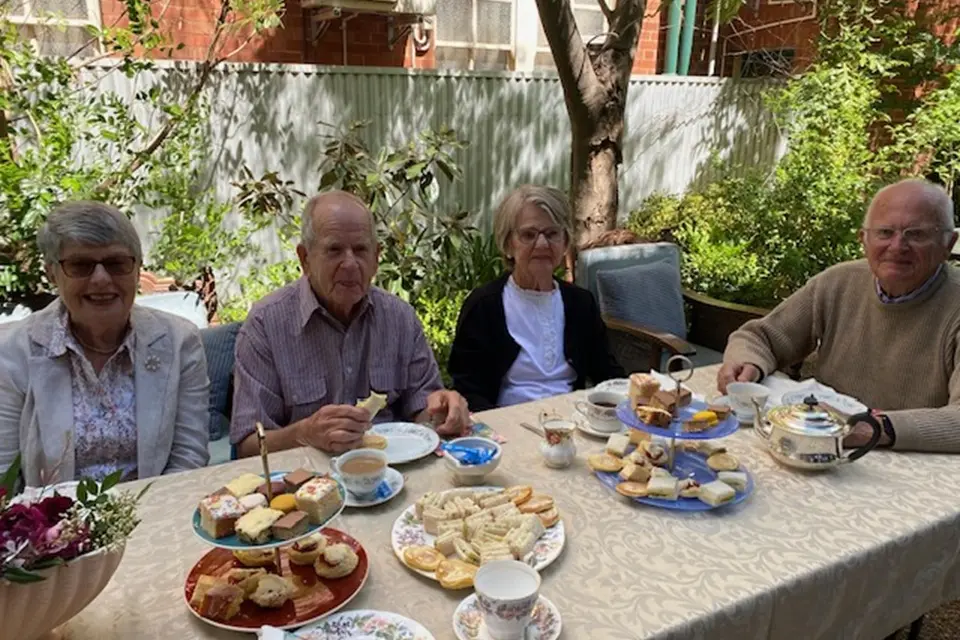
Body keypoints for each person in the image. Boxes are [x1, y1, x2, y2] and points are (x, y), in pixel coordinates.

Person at [718, 178, 960, 452]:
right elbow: (759, 337)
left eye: (915, 234)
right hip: (822, 447)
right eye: (884, 232)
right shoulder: (837, 283)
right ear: (864, 240)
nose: (897, 246)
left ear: (948, 244)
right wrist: (747, 362)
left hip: (920, 470)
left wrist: (876, 428)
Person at [230, 191, 470, 456]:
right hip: (308, 482)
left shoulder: (399, 318)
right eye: (334, 250)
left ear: (376, 258)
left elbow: (423, 410)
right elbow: (248, 445)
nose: (350, 263)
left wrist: (443, 410)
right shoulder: (266, 324)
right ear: (305, 259)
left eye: (360, 250)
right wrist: (303, 434)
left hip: (392, 472)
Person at [0, 201, 210, 485]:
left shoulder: (179, 341)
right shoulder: (11, 352)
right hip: (50, 524)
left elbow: (188, 458)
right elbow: (5, 478)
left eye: (116, 263)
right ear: (52, 273)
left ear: (137, 270)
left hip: (156, 514)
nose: (101, 279)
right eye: (80, 265)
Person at [448, 185, 625, 411]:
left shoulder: (581, 303)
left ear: (564, 241)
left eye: (552, 234)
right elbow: (468, 390)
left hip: (573, 421)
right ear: (508, 244)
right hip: (507, 423)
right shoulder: (484, 306)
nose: (542, 244)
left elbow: (606, 373)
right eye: (528, 235)